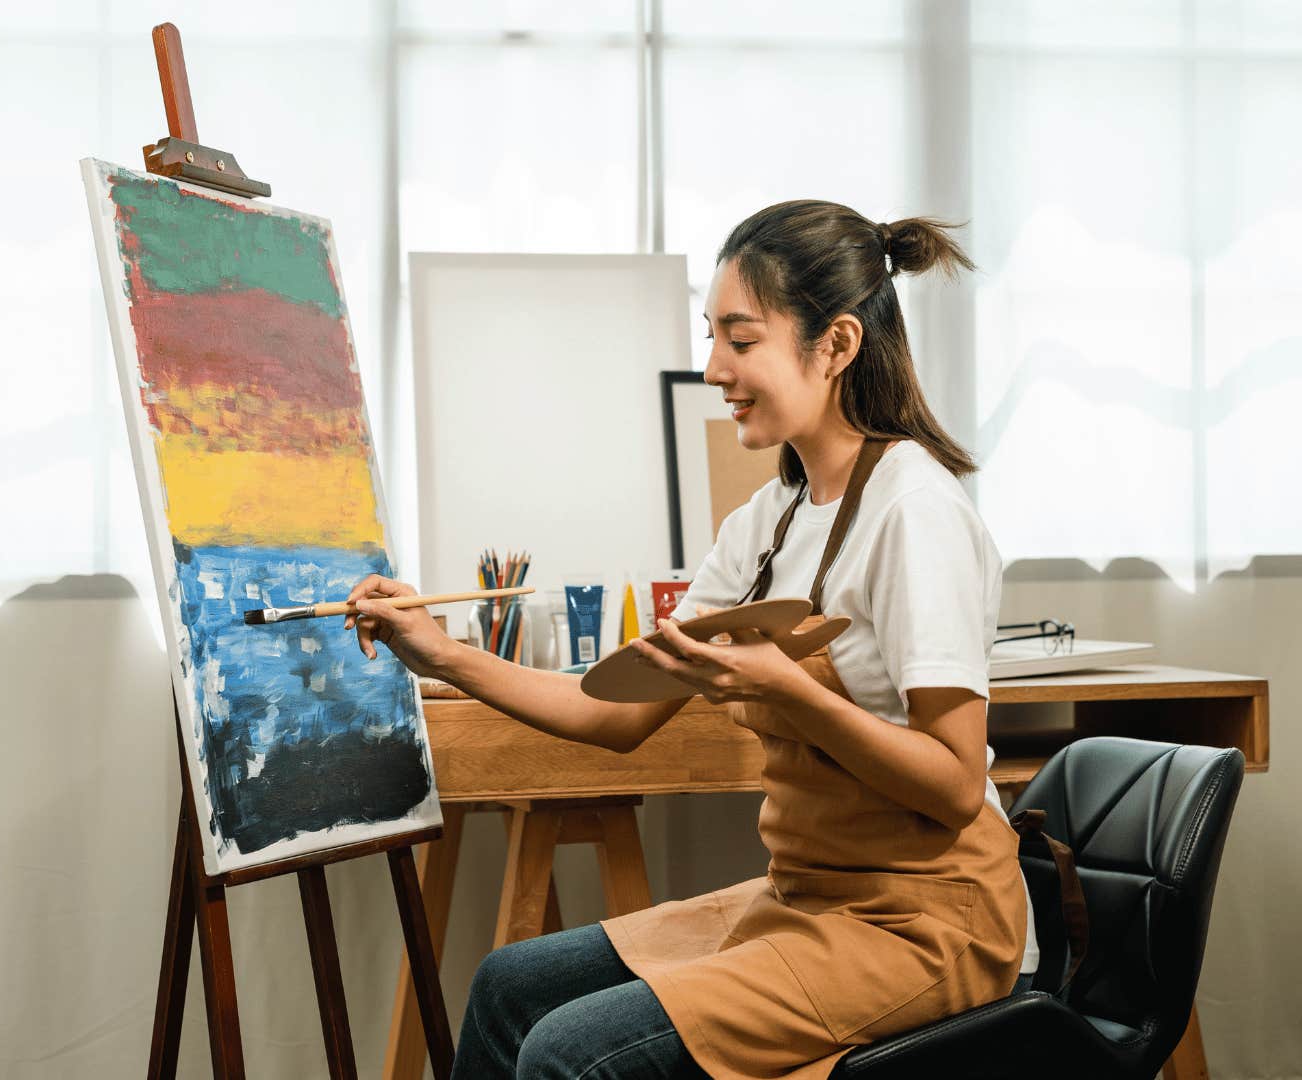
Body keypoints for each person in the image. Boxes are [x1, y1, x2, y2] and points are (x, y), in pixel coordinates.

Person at [345, 200, 1037, 1080]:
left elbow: (949, 780)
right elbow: (615, 714)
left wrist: (791, 694)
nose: (713, 368)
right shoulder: (768, 522)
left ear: (837, 345)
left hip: (929, 924)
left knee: (567, 1055)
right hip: (812, 902)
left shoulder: (916, 513)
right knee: (508, 987)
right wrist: (439, 652)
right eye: (712, 337)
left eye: (740, 341)